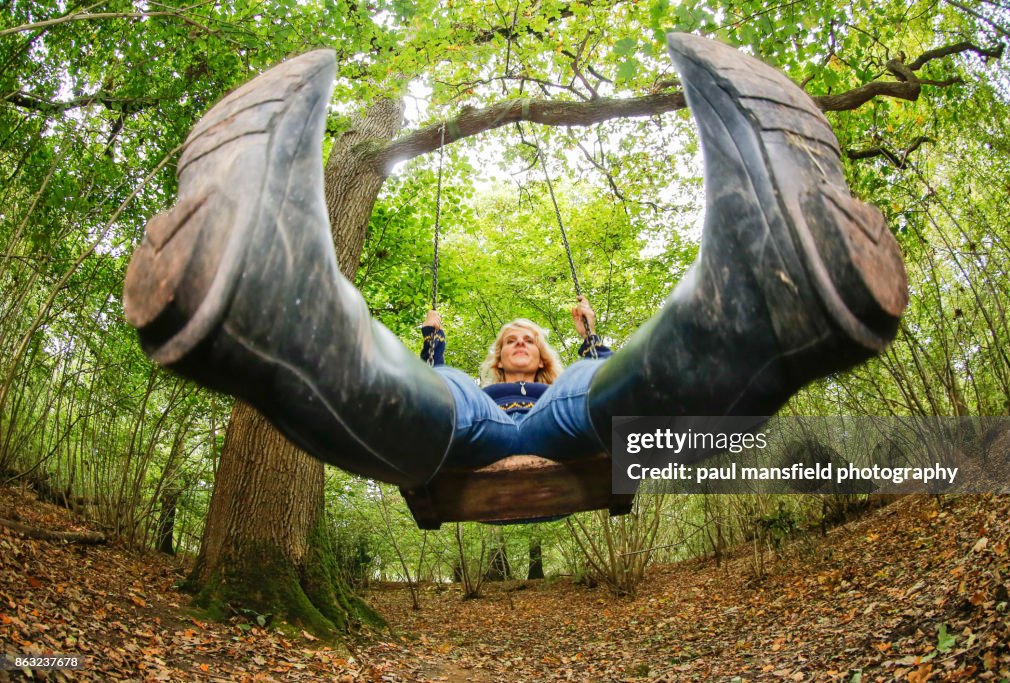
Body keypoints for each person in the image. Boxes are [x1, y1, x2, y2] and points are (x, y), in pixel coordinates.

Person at [122, 34, 907, 491]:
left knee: (600, 395)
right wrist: (436, 341)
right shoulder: (474, 377)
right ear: (501, 351)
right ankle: (279, 301)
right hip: (471, 424)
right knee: (438, 394)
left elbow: (605, 374)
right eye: (514, 336)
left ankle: (758, 294)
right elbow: (437, 378)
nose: (522, 339)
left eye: (531, 334)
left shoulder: (573, 375)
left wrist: (592, 336)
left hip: (568, 423)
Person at [418, 296, 612, 466]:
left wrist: (589, 335)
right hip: (490, 430)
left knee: (583, 374)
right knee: (453, 380)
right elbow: (437, 394)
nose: (520, 342)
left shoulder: (556, 397)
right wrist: (432, 341)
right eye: (510, 341)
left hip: (549, 427)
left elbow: (607, 381)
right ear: (500, 362)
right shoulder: (480, 400)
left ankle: (635, 456)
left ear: (542, 361)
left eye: (529, 341)